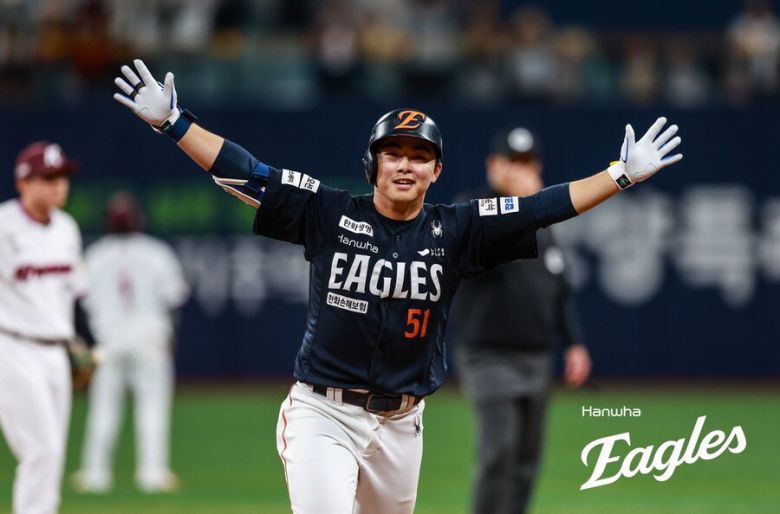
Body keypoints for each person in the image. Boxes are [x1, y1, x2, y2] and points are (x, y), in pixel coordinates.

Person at [111, 59, 683, 513]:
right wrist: (173, 123)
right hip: (324, 413)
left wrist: (620, 175)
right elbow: (249, 174)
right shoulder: (330, 212)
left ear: (437, 171)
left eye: (420, 156)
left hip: (402, 425)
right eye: (393, 154)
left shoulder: (456, 229)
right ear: (373, 165)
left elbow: (541, 207)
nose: (405, 165)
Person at [450, 127, 592, 514]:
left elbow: (557, 287)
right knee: (499, 452)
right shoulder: (473, 210)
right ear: (492, 165)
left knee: (526, 463)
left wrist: (574, 343)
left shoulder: (541, 225)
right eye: (512, 162)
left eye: (527, 162)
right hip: (487, 355)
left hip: (536, 358)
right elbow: (490, 257)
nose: (519, 170)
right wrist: (525, 209)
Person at [72, 192, 189, 494]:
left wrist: (86, 341)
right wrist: (169, 335)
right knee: (152, 408)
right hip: (149, 338)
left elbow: (81, 302)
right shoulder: (157, 253)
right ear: (138, 221)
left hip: (107, 341)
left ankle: (95, 475)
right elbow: (174, 300)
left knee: (103, 409)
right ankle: (153, 475)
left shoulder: (95, 255)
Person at [0, 141, 88, 514]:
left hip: (56, 353)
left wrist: (85, 343)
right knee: (42, 449)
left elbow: (76, 293)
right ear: (23, 183)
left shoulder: (67, 228)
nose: (58, 186)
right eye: (48, 178)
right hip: (13, 348)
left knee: (52, 453)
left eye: (62, 177)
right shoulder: (4, 225)